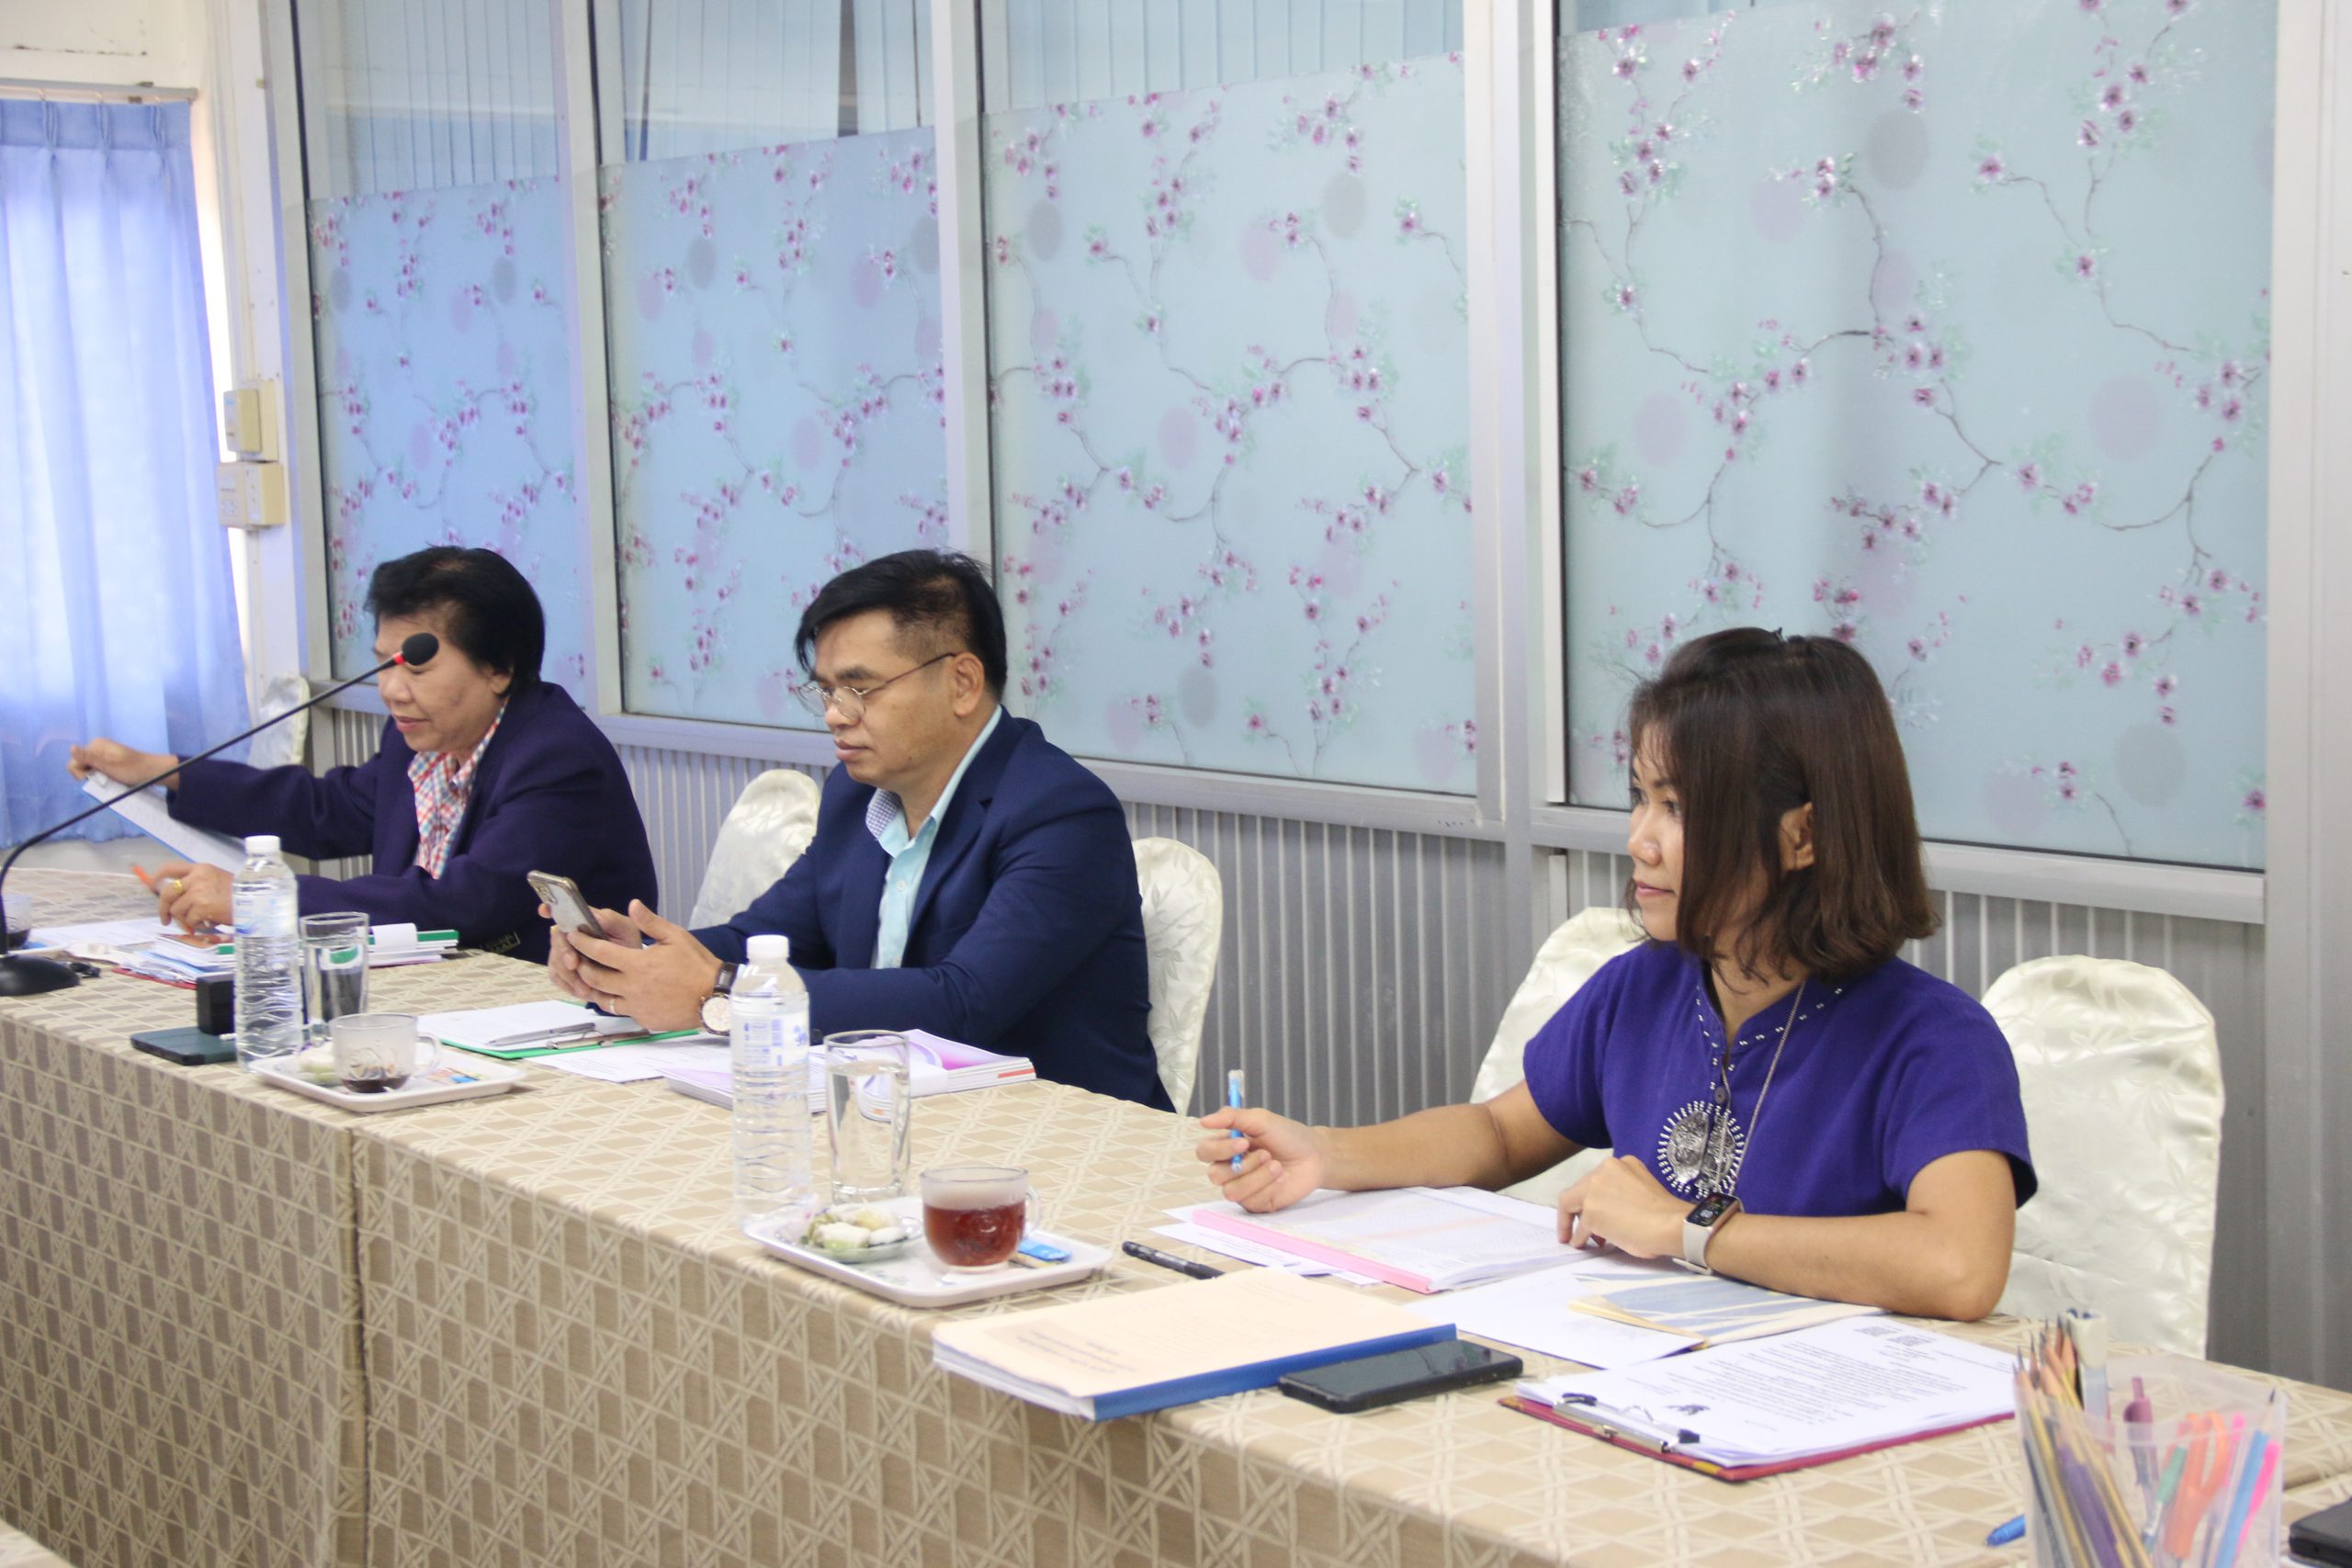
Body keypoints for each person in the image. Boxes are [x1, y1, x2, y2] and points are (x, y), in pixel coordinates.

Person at [1196, 627, 2036, 1320]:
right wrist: (1326, 1153)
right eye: (1641, 796)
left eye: (1679, 808)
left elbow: (1959, 1265)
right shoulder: (1645, 987)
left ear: (1803, 836)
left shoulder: (1934, 1039)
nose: (1639, 838)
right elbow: (1498, 1135)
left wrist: (1686, 1227)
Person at [548, 548, 1165, 1109]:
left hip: (1052, 1133)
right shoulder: (856, 796)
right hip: (883, 1112)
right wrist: (635, 958)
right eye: (826, 692)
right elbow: (764, 938)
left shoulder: (1061, 812)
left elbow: (963, 1003)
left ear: (962, 682)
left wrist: (723, 989)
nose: (836, 716)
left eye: (860, 689)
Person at [69, 547, 655, 965]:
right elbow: (325, 810)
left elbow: (467, 903)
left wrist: (263, 900)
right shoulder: (417, 737)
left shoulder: (556, 756)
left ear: (499, 667)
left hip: (538, 1001)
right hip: (433, 990)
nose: (393, 690)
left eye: (417, 669)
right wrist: (161, 773)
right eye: (384, 665)